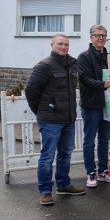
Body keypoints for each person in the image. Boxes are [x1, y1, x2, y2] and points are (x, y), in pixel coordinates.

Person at [24, 34, 86, 206]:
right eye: (60, 44)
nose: (63, 47)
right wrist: (40, 111)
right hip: (50, 120)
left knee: (65, 154)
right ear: (52, 45)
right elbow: (30, 90)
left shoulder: (71, 65)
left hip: (68, 118)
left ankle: (63, 185)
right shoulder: (44, 66)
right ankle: (45, 191)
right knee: (47, 157)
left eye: (66, 44)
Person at [77, 25, 110, 188]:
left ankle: (102, 171)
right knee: (89, 140)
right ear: (91, 37)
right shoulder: (84, 57)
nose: (101, 38)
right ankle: (91, 172)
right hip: (91, 104)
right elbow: (85, 78)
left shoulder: (108, 56)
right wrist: (103, 84)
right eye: (98, 35)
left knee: (104, 139)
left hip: (106, 105)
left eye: (104, 35)